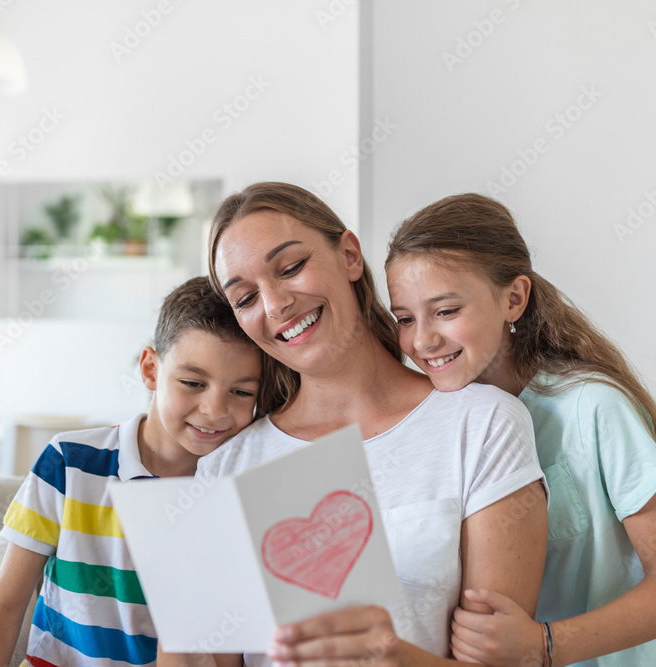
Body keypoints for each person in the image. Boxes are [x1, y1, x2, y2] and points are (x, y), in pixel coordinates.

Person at [192, 182, 548, 667]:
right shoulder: (225, 469)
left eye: (292, 267)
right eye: (245, 298)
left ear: (350, 257)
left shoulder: (481, 425)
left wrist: (392, 656)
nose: (275, 305)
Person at [384, 193, 656, 667]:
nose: (421, 340)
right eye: (404, 319)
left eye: (446, 311)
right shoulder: (444, 424)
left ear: (514, 298)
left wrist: (543, 645)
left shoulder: (593, 407)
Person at [0, 276, 266, 667]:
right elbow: (3, 606)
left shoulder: (239, 492)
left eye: (242, 392)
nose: (214, 410)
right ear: (151, 369)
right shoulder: (70, 462)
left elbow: (227, 654)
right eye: (192, 383)